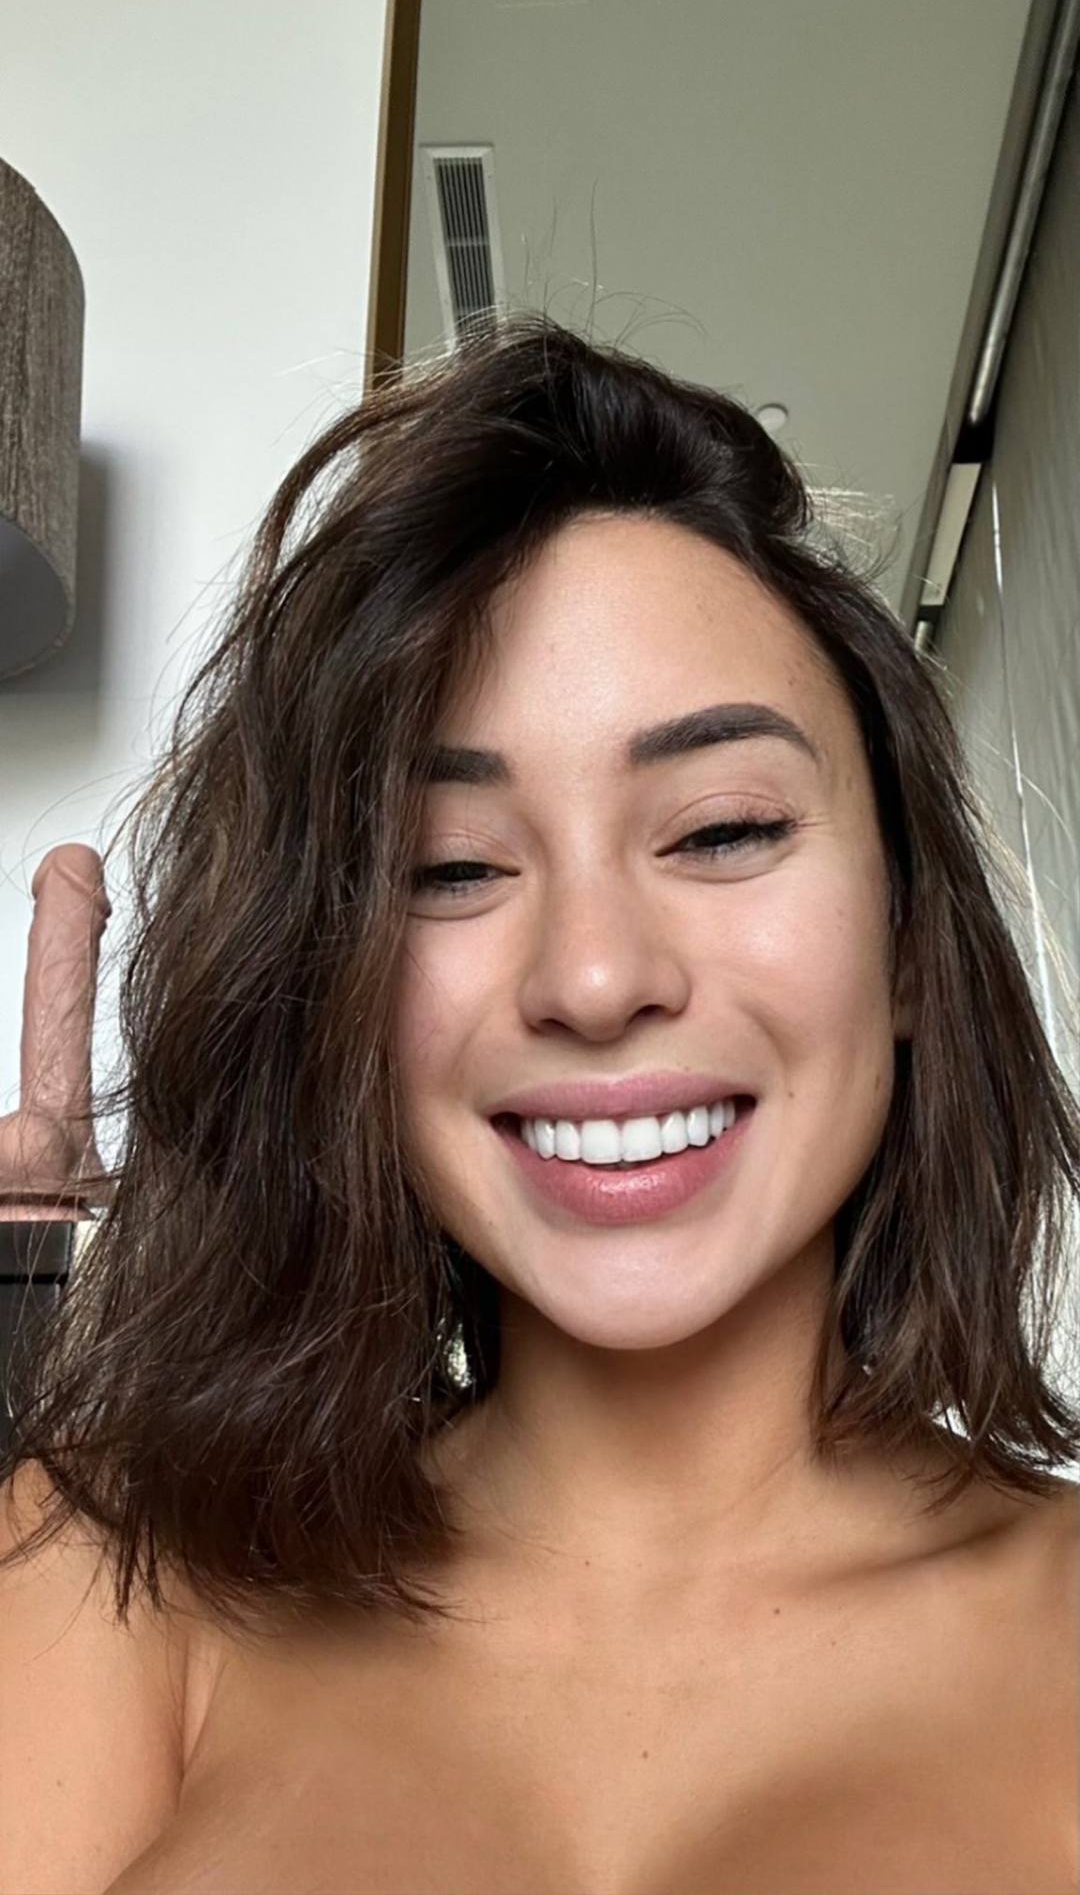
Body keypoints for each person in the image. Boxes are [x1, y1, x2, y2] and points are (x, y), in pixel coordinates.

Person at [2, 314, 1077, 1894]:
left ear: (910, 939)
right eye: (452, 868)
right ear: (335, 989)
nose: (592, 976)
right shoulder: (115, 1571)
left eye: (721, 832)